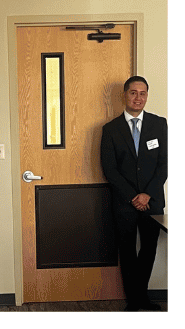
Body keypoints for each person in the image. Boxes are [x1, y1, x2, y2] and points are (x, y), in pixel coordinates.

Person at [100, 76, 167, 311]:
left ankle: (141, 299)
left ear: (147, 96)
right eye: (133, 93)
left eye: (143, 93)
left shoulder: (160, 125)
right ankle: (134, 301)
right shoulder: (110, 129)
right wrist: (133, 196)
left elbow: (165, 164)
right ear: (124, 95)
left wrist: (147, 194)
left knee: (149, 250)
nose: (138, 98)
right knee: (127, 251)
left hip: (153, 201)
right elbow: (109, 168)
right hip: (124, 202)